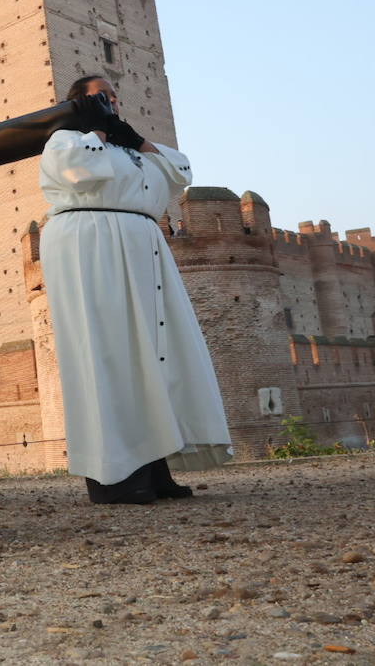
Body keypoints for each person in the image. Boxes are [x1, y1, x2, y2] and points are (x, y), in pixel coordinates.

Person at [37, 76, 232, 504]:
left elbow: (179, 173)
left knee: (156, 352)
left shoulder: (127, 149)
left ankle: (154, 462)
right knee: (108, 351)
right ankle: (114, 475)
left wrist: (136, 139)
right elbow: (76, 172)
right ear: (82, 103)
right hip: (90, 240)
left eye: (114, 95)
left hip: (140, 242)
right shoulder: (66, 141)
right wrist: (97, 130)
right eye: (102, 96)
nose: (113, 100)